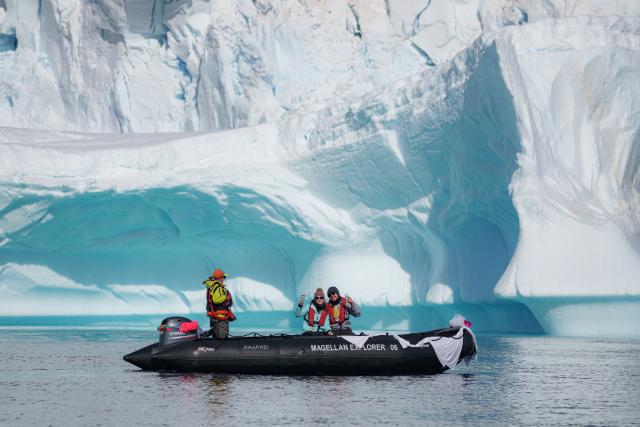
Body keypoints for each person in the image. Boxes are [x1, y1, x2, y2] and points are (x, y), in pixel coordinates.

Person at [203, 268, 235, 338]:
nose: (224, 278)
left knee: (217, 336)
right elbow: (216, 300)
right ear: (220, 278)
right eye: (223, 277)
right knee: (221, 338)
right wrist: (226, 296)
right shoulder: (217, 287)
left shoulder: (214, 286)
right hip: (220, 318)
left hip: (217, 317)